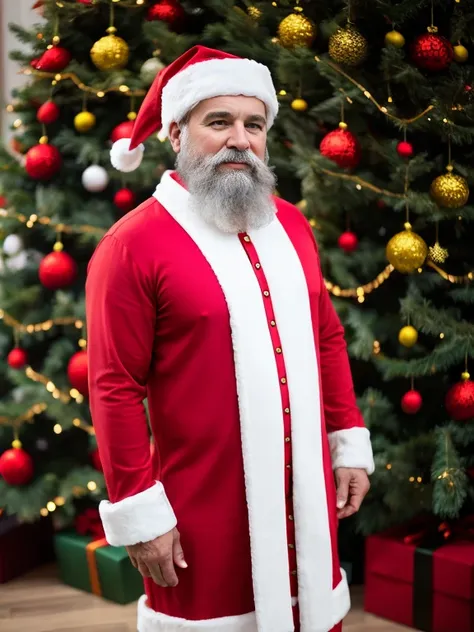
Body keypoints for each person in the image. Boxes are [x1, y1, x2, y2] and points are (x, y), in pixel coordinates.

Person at [85, 45, 375, 632]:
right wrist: (143, 516)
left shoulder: (291, 223)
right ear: (176, 131)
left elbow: (326, 337)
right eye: (219, 122)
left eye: (254, 124)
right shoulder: (131, 246)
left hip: (306, 502)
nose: (240, 139)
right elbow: (114, 388)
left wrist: (346, 443)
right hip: (201, 514)